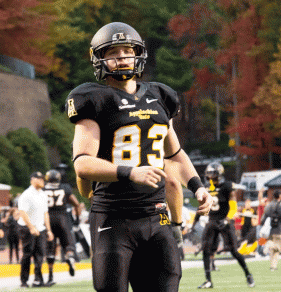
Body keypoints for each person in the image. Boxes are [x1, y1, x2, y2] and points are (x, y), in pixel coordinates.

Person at [65, 22, 213, 292]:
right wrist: (130, 171)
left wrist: (198, 186)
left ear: (138, 54)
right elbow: (83, 163)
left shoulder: (160, 96)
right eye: (112, 52)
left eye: (127, 51)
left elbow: (176, 155)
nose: (122, 57)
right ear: (99, 59)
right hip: (113, 216)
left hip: (157, 217)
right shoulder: (94, 98)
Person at [198, 161, 255, 289]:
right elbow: (202, 205)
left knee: (234, 251)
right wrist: (199, 218)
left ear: (219, 174)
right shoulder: (207, 188)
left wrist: (228, 219)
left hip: (224, 221)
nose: (210, 176)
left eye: (213, 174)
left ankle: (248, 274)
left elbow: (233, 205)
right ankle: (208, 281)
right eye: (209, 174)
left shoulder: (227, 186)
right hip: (212, 221)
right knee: (206, 251)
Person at [43, 169, 81, 287]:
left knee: (51, 248)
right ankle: (69, 257)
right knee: (68, 244)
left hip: (48, 219)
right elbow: (76, 204)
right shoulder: (65, 188)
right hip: (62, 219)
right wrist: (77, 219)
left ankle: (50, 276)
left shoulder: (43, 189)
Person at [17, 171, 54, 288]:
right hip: (27, 227)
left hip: (40, 228)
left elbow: (45, 213)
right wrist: (31, 227)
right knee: (27, 254)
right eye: (40, 178)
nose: (43, 181)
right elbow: (22, 212)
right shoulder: (26, 194)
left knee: (40, 254)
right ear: (33, 179)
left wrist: (48, 230)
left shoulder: (42, 194)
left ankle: (38, 280)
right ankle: (24, 281)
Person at [260, 190, 281, 271]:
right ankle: (268, 244)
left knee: (274, 251)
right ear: (279, 196)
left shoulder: (269, 205)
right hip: (279, 229)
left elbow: (263, 219)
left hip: (271, 230)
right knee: (278, 248)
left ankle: (273, 266)